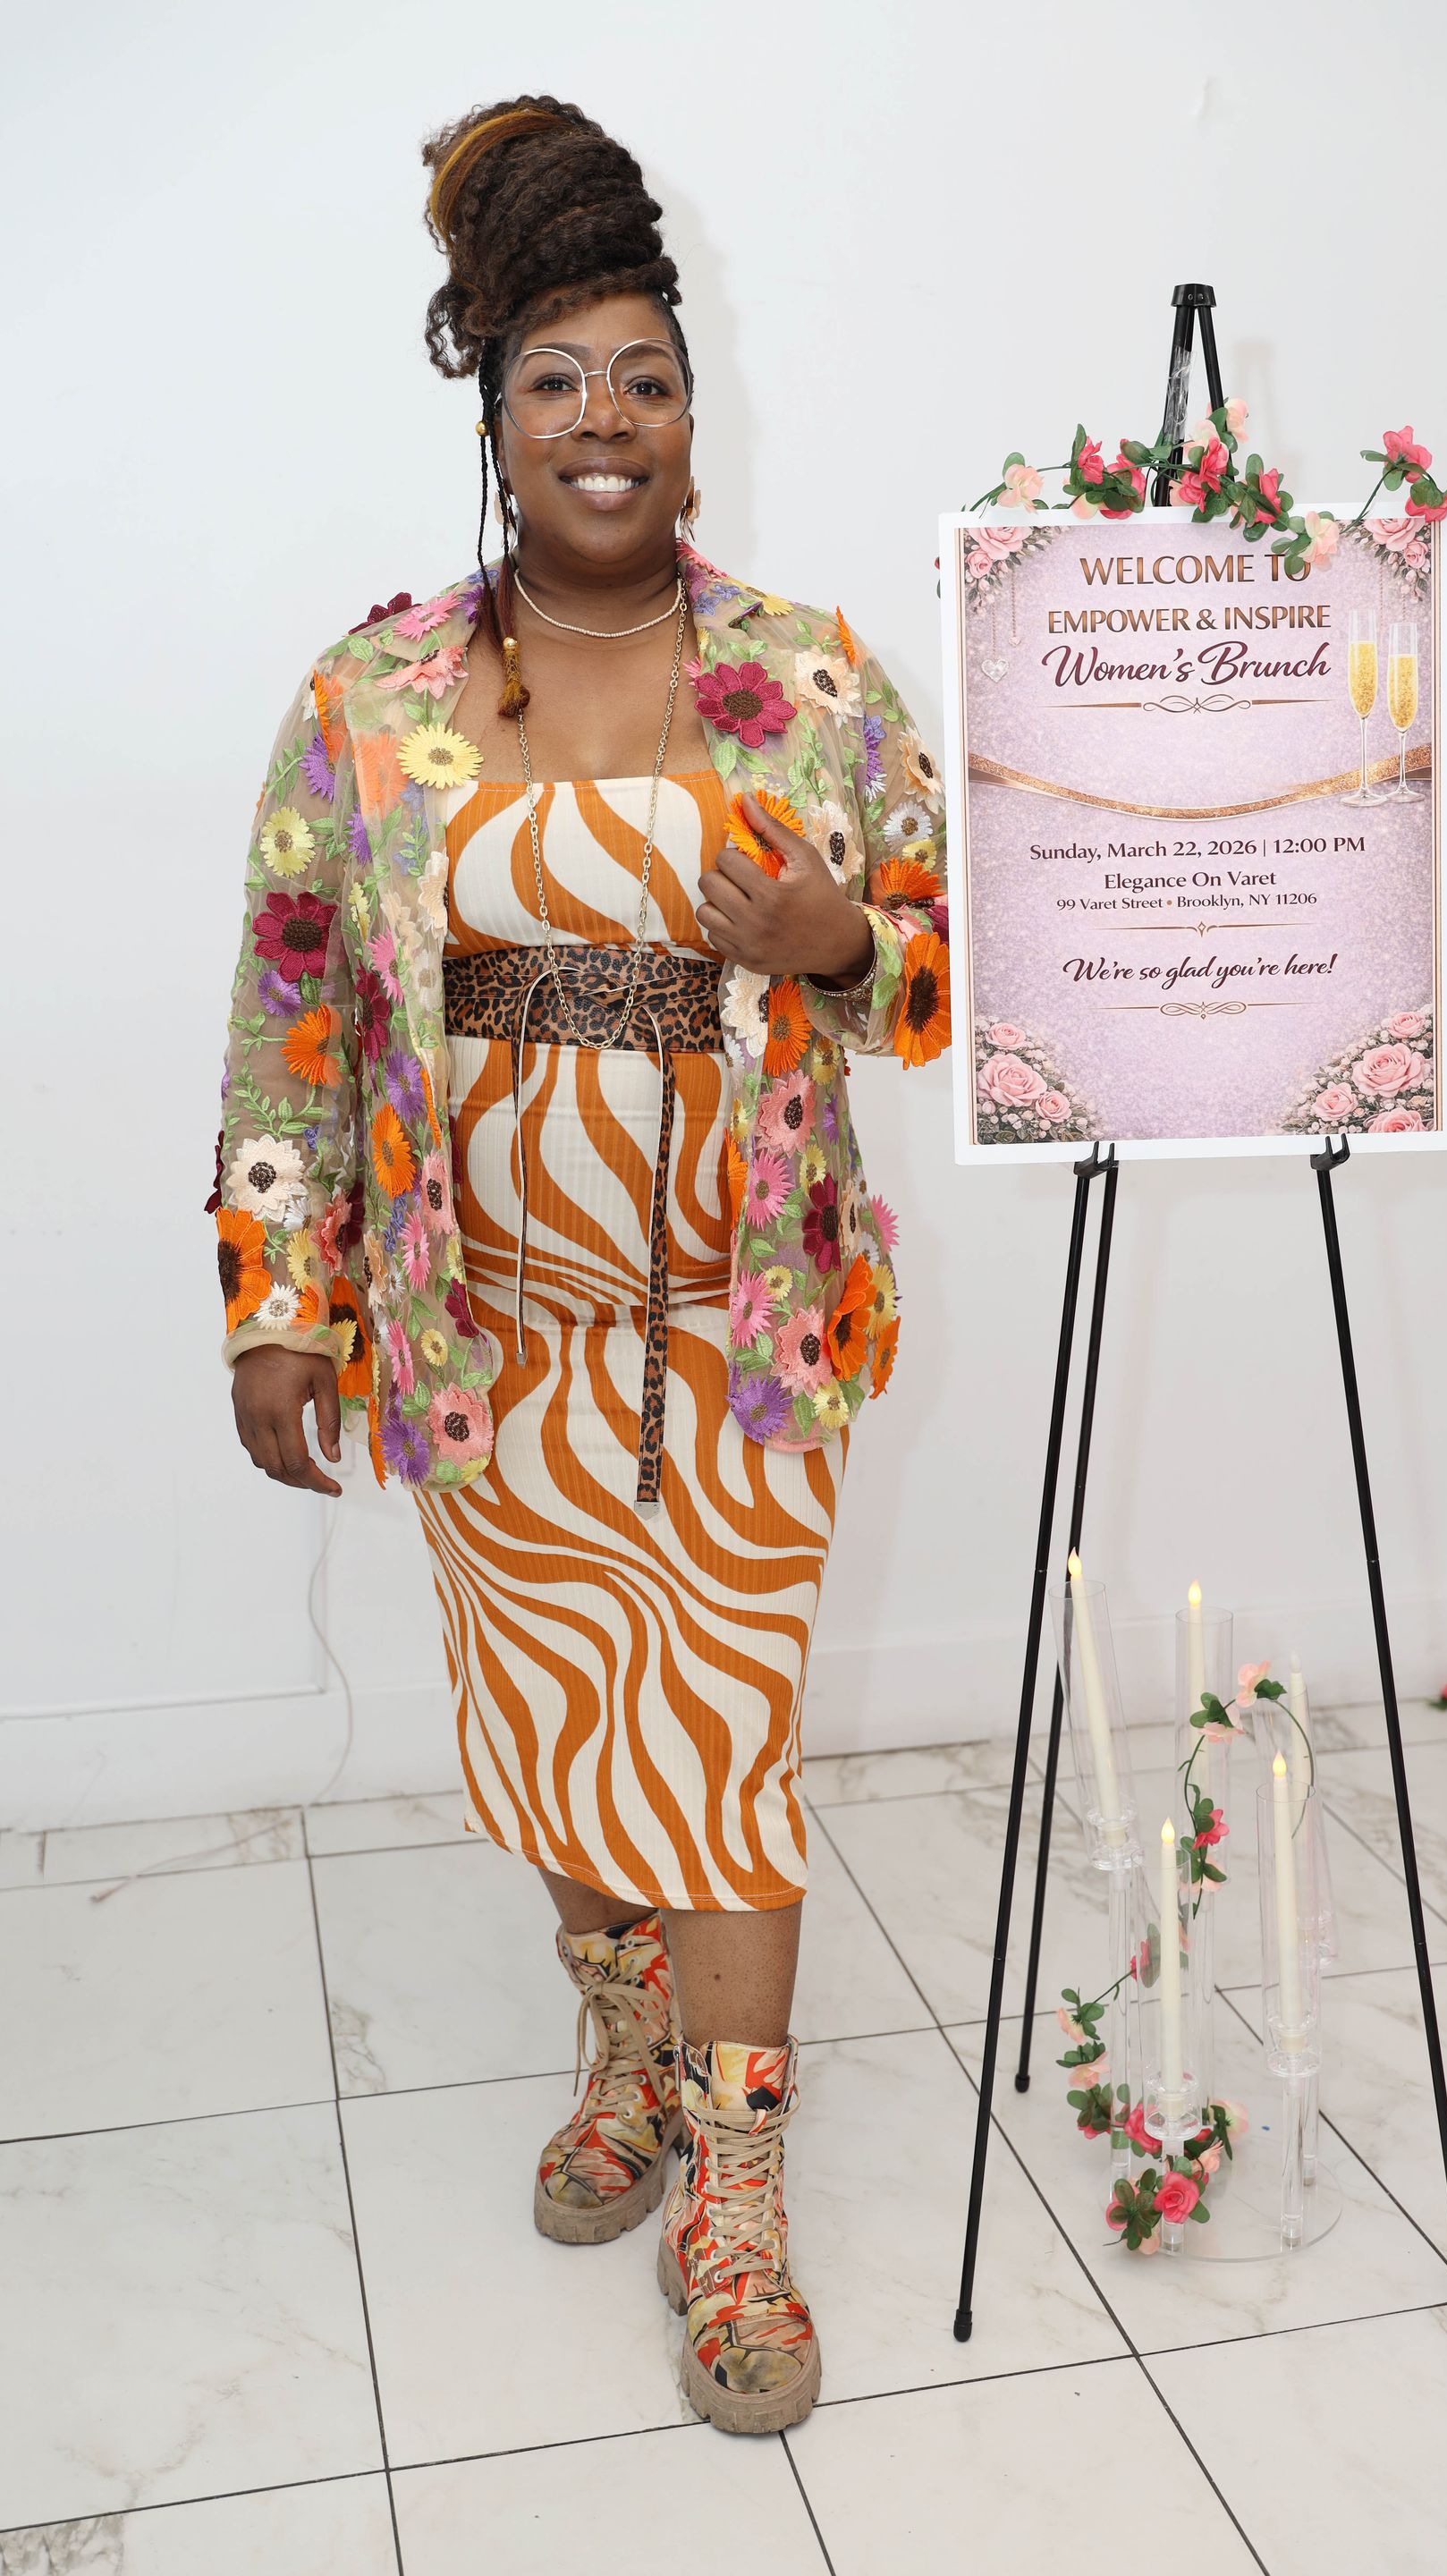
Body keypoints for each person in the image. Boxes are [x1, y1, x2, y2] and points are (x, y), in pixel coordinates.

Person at [211, 96, 952, 2436]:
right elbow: (299, 1002)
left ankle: (734, 2189)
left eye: (646, 373)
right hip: (481, 1350)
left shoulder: (815, 680)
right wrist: (276, 1303)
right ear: (497, 411)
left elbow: (964, 984)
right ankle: (624, 2047)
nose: (607, 419)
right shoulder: (378, 698)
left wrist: (845, 934)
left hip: (743, 1349)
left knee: (717, 1755)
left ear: (691, 410)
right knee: (553, 1743)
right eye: (559, 379)